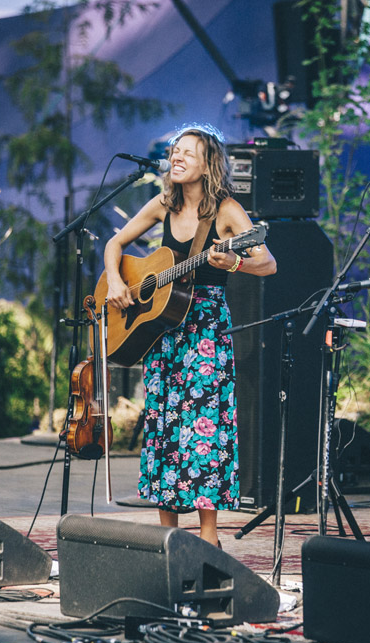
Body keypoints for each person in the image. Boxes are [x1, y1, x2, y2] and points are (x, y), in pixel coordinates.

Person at [103, 125, 276, 547]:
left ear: (208, 164)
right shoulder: (164, 202)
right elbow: (115, 242)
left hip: (205, 332)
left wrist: (233, 262)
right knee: (164, 426)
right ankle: (168, 539)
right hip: (163, 333)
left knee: (204, 431)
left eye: (187, 153)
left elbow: (267, 262)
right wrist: (114, 281)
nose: (176, 158)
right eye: (174, 151)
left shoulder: (226, 210)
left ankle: (209, 538)